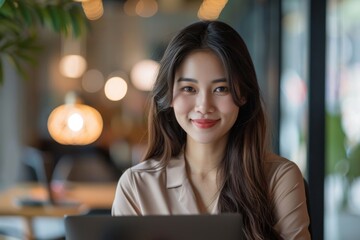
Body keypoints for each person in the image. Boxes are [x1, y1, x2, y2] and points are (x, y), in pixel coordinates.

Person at [112, 20, 311, 239]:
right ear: (169, 96)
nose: (204, 106)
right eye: (189, 88)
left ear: (243, 95)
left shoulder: (279, 179)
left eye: (220, 89)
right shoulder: (137, 186)